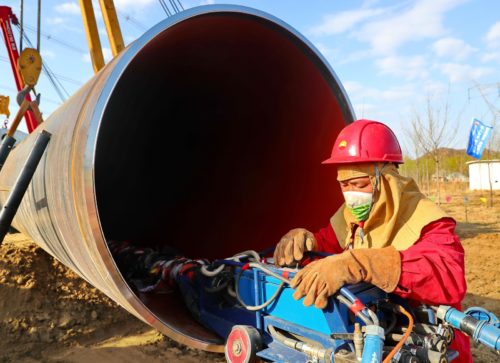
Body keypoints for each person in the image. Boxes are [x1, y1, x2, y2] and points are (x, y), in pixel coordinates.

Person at [273, 119, 472, 362]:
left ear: (387, 178)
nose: (351, 195)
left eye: (358, 184)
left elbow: (447, 276)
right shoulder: (351, 218)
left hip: (430, 346)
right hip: (379, 340)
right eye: (344, 185)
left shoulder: (427, 219)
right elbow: (327, 245)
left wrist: (365, 262)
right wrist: (305, 241)